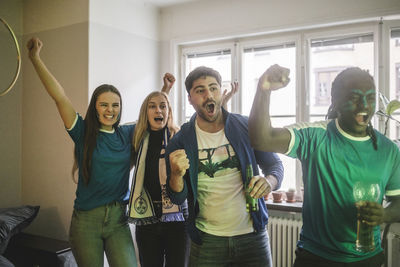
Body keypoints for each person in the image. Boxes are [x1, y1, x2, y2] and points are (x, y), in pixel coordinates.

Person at [248, 64, 400, 266]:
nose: (364, 105)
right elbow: (262, 139)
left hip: (367, 259)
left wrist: (384, 214)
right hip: (315, 258)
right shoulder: (316, 136)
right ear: (335, 102)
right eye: (354, 97)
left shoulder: (389, 150)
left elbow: (398, 202)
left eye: (370, 97)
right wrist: (264, 89)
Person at [27, 37, 137, 267]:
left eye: (115, 105)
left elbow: (153, 116)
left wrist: (166, 89)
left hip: (118, 220)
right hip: (86, 222)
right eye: (104, 104)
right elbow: (59, 96)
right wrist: (35, 59)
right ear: (94, 107)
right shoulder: (82, 131)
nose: (110, 110)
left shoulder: (127, 133)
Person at [165, 66, 284, 266]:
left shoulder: (247, 126)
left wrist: (269, 182)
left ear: (221, 92)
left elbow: (275, 166)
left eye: (213, 88)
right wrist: (176, 175)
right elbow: (177, 196)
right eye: (200, 90)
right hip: (207, 241)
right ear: (190, 99)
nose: (209, 95)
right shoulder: (180, 141)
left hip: (253, 237)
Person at [127, 75, 190, 267]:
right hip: (147, 218)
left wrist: (165, 92)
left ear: (169, 111)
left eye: (163, 106)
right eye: (152, 106)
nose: (158, 110)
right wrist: (165, 89)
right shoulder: (137, 137)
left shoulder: (177, 136)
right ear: (145, 112)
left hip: (177, 219)